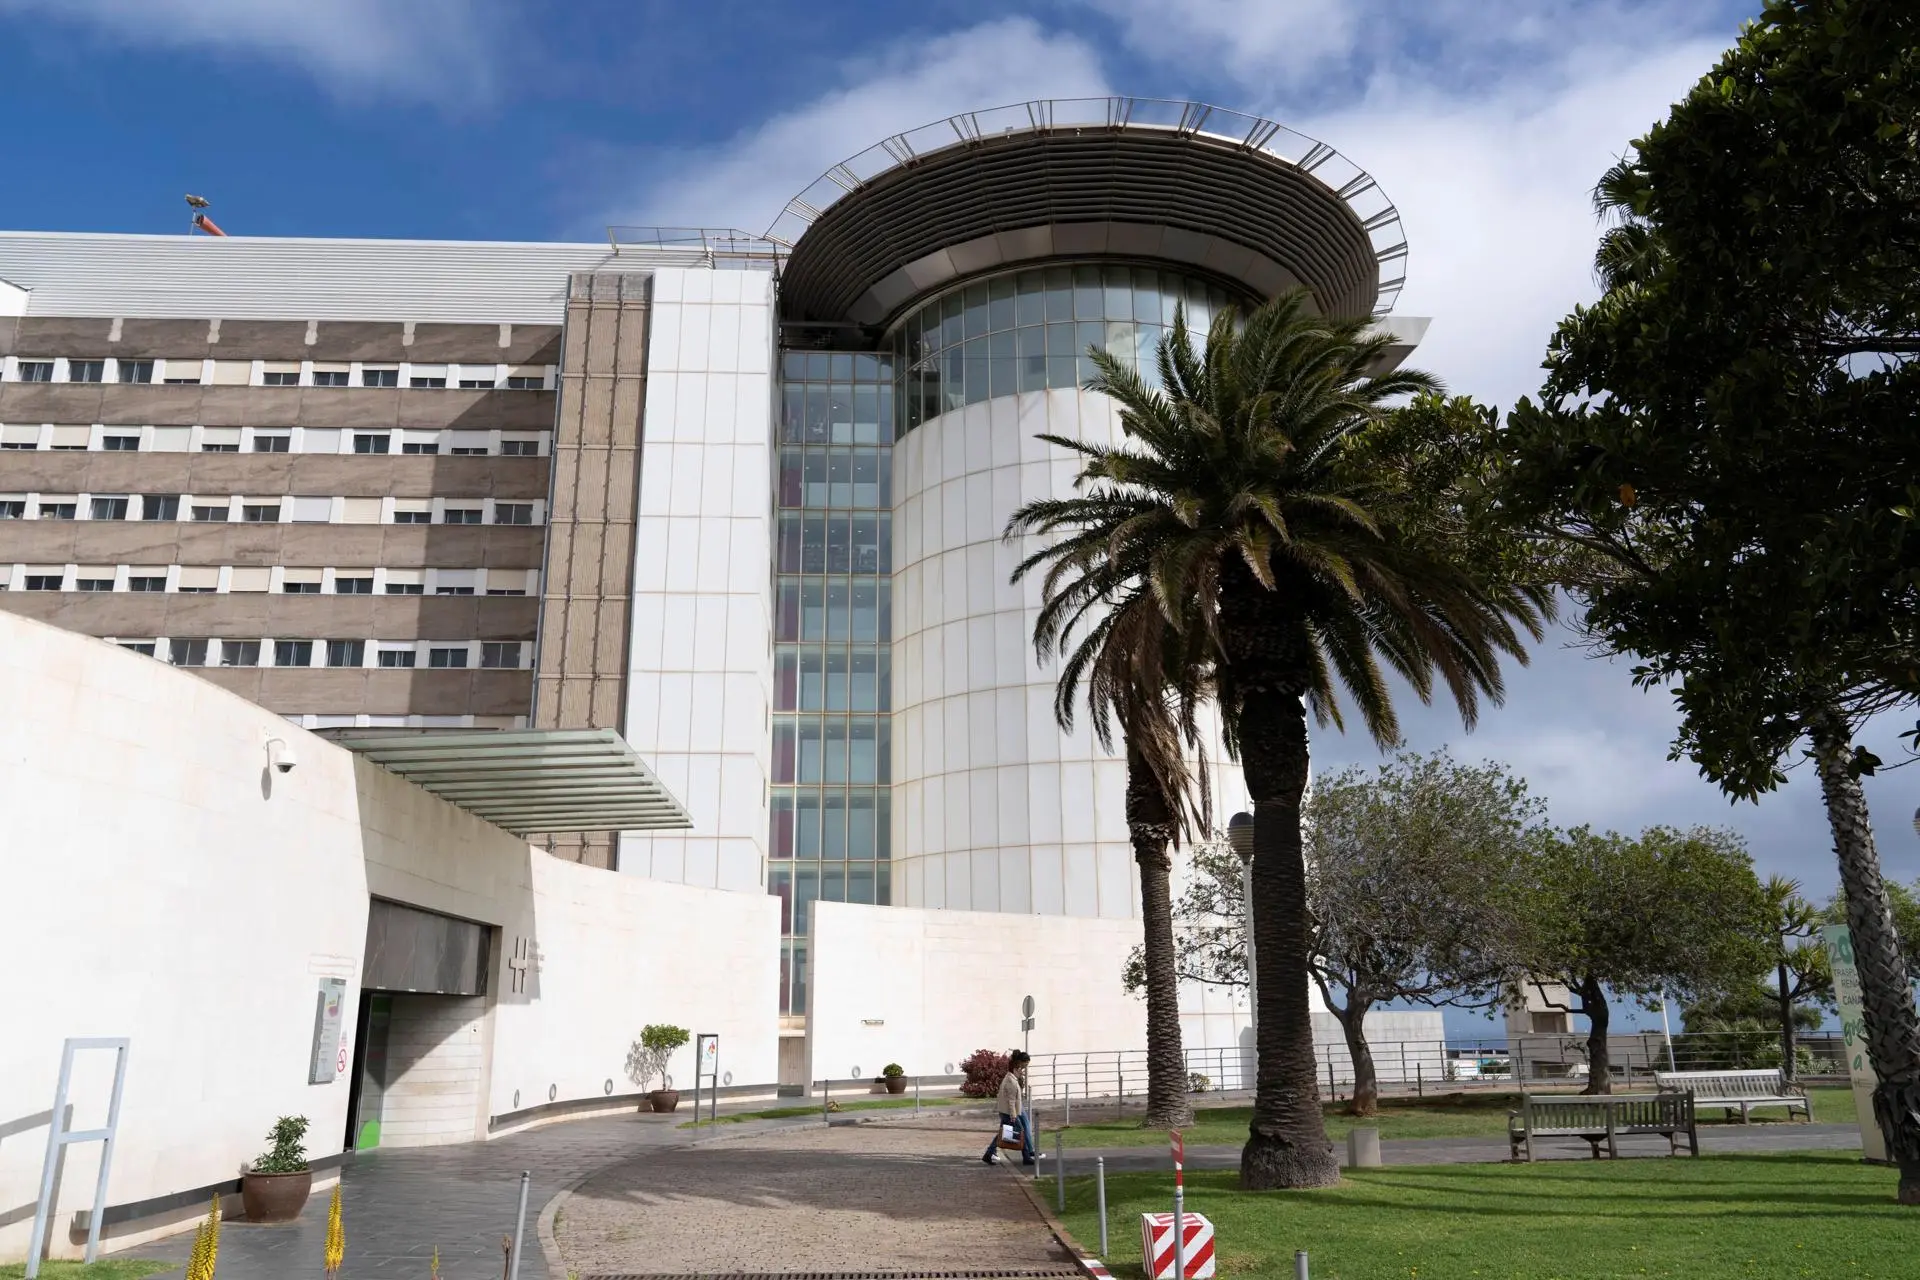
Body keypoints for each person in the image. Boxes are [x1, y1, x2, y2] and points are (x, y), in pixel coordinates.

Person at [982, 1050, 1036, 1166]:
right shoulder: (1011, 1081)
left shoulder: (1011, 1078)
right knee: (1020, 1131)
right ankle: (1026, 1157)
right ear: (1016, 1069)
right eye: (1020, 1070)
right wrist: (1013, 1115)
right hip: (1008, 1112)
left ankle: (989, 1153)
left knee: (1003, 1133)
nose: (1022, 1072)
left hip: (1006, 1111)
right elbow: (1011, 1101)